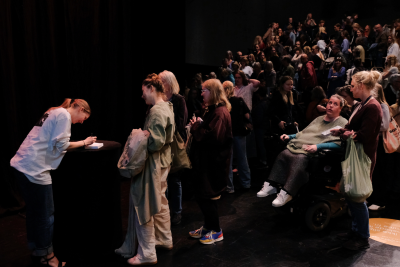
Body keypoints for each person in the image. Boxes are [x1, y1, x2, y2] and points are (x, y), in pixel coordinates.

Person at [11, 98, 95, 267]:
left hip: (21, 165)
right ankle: (47, 256)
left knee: (34, 212)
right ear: (79, 108)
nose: (81, 122)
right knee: (46, 214)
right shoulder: (63, 115)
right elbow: (61, 145)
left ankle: (37, 249)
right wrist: (84, 142)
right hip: (34, 169)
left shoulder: (53, 111)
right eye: (83, 117)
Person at [116, 74, 175, 265]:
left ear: (151, 88)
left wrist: (142, 137)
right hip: (163, 162)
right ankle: (164, 239)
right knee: (160, 201)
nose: (142, 96)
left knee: (145, 204)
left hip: (154, 164)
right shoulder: (167, 106)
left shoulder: (157, 111)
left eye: (143, 91)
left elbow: (155, 143)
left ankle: (147, 252)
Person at [257, 95, 348, 207]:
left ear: (340, 108)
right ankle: (272, 184)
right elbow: (303, 133)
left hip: (318, 154)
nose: (330, 106)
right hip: (301, 145)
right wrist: (289, 137)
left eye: (335, 104)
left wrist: (317, 146)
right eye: (330, 102)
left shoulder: (343, 123)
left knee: (299, 158)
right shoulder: (319, 119)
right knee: (284, 153)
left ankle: (288, 192)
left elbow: (339, 144)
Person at [332, 70, 383, 251]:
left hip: (363, 156)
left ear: (361, 86)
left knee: (358, 196)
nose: (350, 88)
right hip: (356, 154)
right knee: (352, 194)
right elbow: (351, 127)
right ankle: (356, 230)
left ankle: (362, 236)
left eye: (352, 85)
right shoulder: (362, 104)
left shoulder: (372, 106)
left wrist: (345, 133)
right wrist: (340, 131)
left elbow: (365, 135)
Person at [188, 79, 233, 244]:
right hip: (206, 162)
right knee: (202, 195)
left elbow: (212, 137)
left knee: (208, 197)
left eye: (204, 90)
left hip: (213, 164)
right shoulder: (214, 110)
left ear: (212, 92)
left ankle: (216, 231)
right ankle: (208, 227)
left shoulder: (220, 112)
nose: (201, 93)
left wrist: (196, 128)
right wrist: (201, 123)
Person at [159, 70, 188, 226]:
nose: (158, 84)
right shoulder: (159, 99)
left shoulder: (178, 100)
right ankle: (164, 212)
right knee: (163, 179)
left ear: (168, 83)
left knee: (174, 179)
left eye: (161, 81)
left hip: (174, 144)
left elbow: (181, 123)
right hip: (161, 144)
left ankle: (176, 212)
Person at [222, 81, 251, 193]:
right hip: (239, 133)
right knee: (242, 158)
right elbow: (247, 115)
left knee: (228, 161)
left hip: (227, 134)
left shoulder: (223, 103)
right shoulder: (239, 101)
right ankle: (246, 183)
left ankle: (229, 187)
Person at [367, 84, 390, 211]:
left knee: (378, 171)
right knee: (371, 170)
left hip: (380, 142)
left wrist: (369, 126)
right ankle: (371, 197)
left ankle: (379, 200)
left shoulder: (383, 106)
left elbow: (384, 125)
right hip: (372, 140)